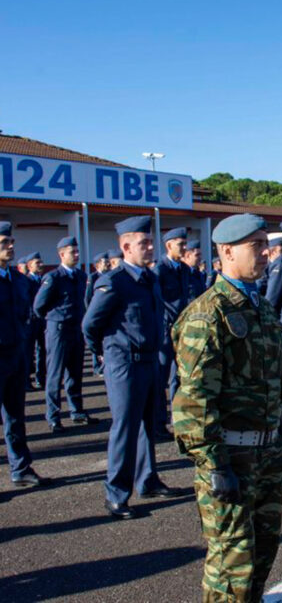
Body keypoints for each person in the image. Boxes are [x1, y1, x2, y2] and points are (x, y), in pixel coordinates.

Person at [172, 213, 282, 600]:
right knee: (232, 568)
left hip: (267, 452)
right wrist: (216, 465)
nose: (266, 253)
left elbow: (281, 385)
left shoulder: (260, 308)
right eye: (256, 246)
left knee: (262, 555)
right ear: (227, 252)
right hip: (230, 456)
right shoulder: (207, 314)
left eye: (266, 244)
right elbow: (194, 402)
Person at [82, 216, 182, 519]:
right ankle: (116, 493)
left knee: (148, 426)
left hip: (150, 361)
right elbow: (90, 325)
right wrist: (104, 354)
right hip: (124, 363)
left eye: (151, 242)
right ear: (125, 247)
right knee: (125, 429)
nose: (150, 247)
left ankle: (147, 480)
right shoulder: (113, 282)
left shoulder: (150, 279)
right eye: (144, 243)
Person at [0, 223, 49, 487]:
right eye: (4, 242)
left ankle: (20, 468)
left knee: (16, 417)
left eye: (11, 241)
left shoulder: (18, 280)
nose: (10, 246)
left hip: (16, 354)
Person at [33, 236, 95, 431]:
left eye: (77, 252)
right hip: (58, 330)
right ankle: (53, 416)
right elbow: (38, 306)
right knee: (55, 375)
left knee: (75, 375)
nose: (76, 255)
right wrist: (55, 318)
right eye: (72, 252)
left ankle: (77, 412)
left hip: (75, 330)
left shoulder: (79, 276)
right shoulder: (53, 278)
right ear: (61, 255)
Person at [154, 227, 191, 440]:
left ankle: (179, 418)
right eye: (180, 244)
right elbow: (160, 302)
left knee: (180, 376)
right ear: (168, 246)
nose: (184, 248)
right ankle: (159, 422)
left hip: (182, 329)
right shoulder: (160, 270)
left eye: (185, 244)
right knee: (160, 378)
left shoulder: (184, 269)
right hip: (166, 330)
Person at [23, 252, 47, 390]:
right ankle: (26, 380)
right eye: (37, 263)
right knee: (28, 352)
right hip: (30, 321)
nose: (41, 265)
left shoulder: (43, 279)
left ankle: (41, 379)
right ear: (29, 265)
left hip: (42, 321)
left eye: (41, 262)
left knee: (42, 351)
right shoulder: (25, 281)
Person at [85, 251, 110, 376]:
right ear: (98, 265)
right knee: (96, 339)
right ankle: (96, 366)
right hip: (96, 313)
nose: (107, 264)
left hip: (106, 315)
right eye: (105, 262)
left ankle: (103, 364)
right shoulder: (93, 277)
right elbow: (88, 297)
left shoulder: (110, 276)